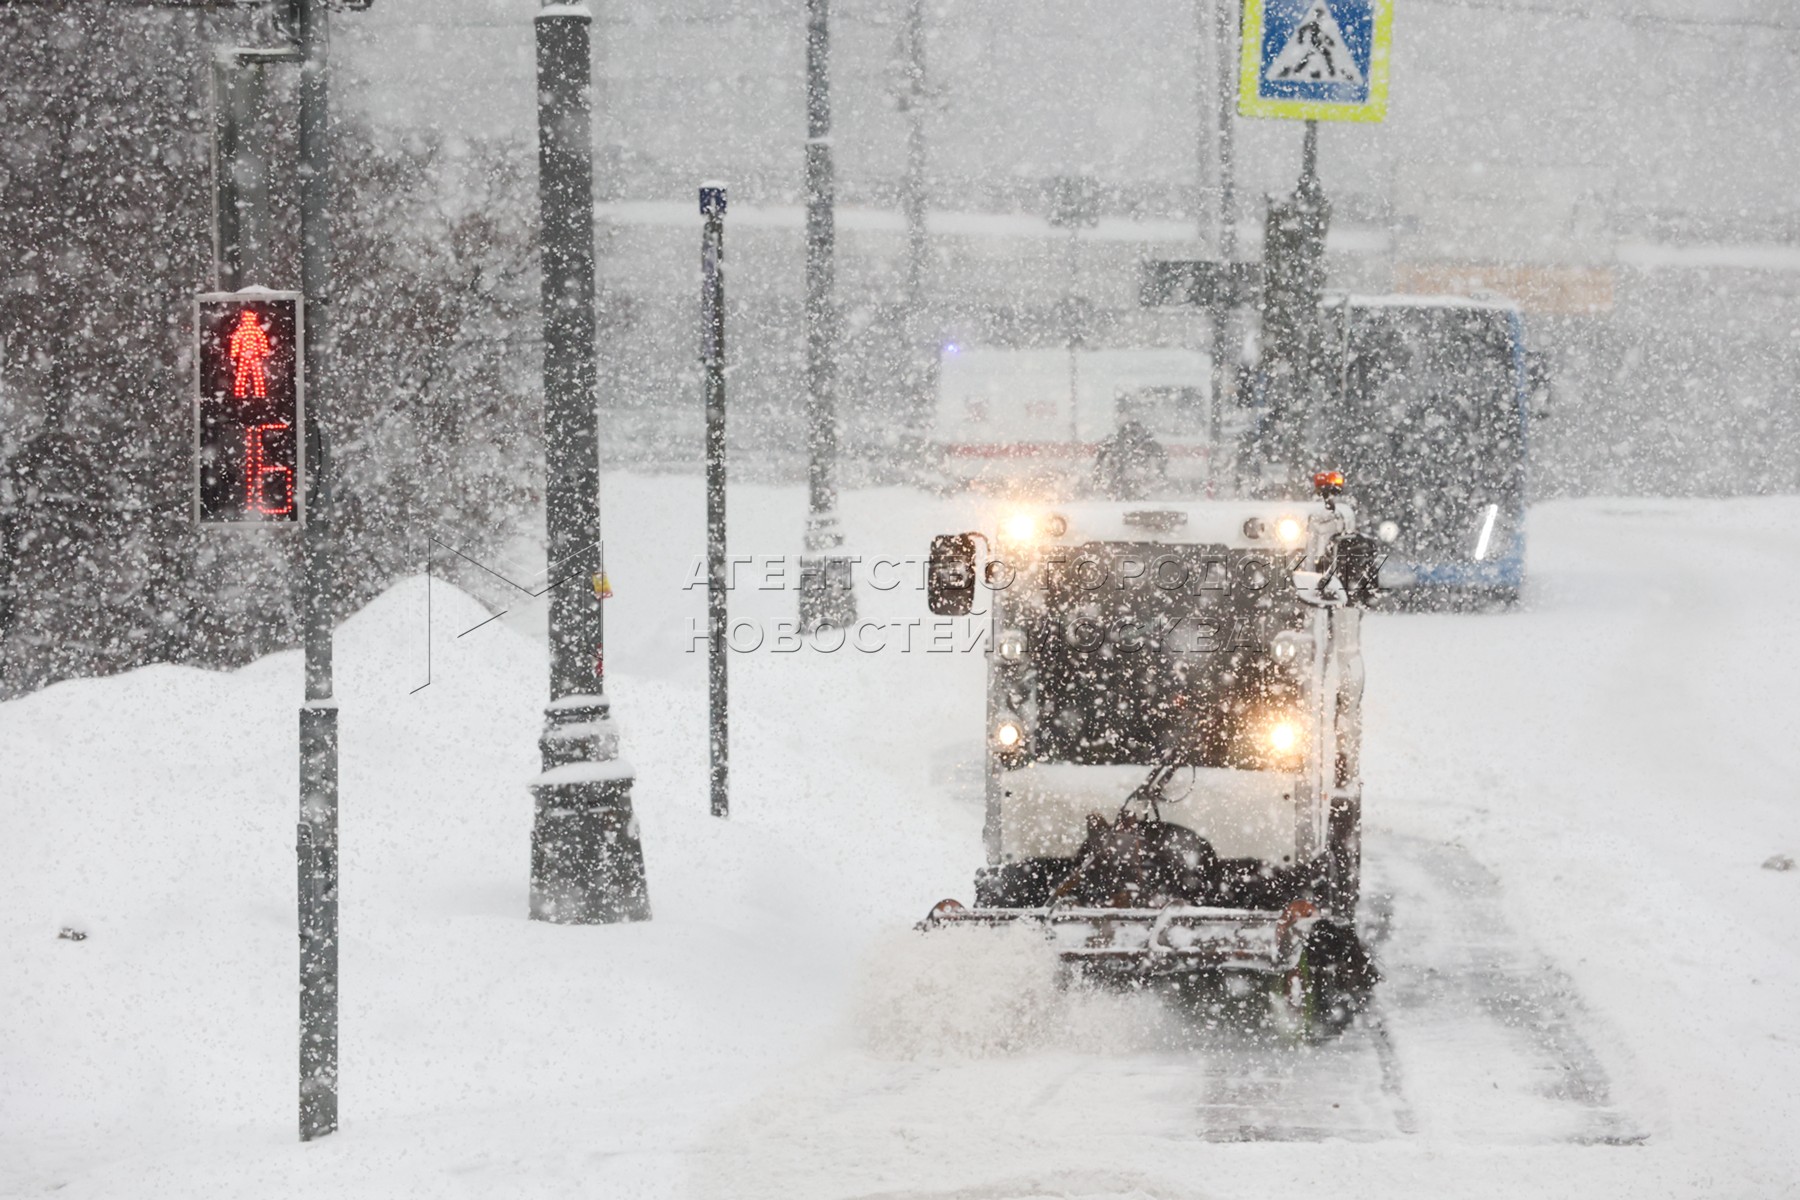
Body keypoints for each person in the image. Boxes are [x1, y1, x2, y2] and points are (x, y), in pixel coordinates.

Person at [1092, 419, 1168, 499]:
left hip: (1130, 480)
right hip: (1127, 480)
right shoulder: (1116, 444)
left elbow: (1101, 457)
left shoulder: (1147, 445)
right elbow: (1161, 457)